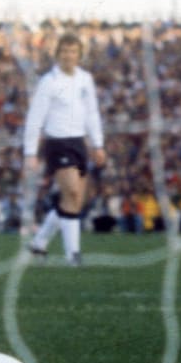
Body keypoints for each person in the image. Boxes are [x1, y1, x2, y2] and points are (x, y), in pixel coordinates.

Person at [23, 34, 106, 264]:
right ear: (57, 54)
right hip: (57, 143)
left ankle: (39, 243)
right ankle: (73, 255)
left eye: (73, 51)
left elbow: (92, 113)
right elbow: (35, 117)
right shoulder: (48, 82)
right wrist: (30, 152)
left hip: (79, 142)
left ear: (79, 55)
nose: (69, 56)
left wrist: (98, 144)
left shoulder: (85, 79)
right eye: (65, 51)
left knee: (75, 200)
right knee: (72, 193)